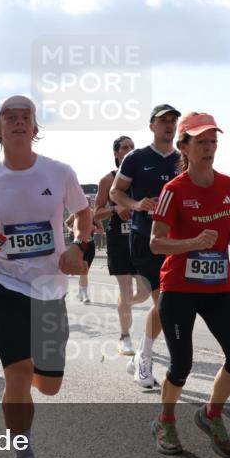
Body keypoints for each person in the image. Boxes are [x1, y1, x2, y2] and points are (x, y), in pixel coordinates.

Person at [0, 94, 90, 458]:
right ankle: (23, 453)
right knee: (16, 371)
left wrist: (79, 246)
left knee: (48, 384)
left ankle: (23, 383)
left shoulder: (59, 172)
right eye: (9, 118)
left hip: (50, 289)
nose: (17, 122)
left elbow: (82, 214)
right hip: (5, 283)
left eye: (25, 117)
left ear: (34, 128)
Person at [148, 112, 230, 457]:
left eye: (213, 142)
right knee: (182, 365)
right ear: (184, 147)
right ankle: (165, 420)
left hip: (218, 287)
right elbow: (156, 243)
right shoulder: (172, 190)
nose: (208, 148)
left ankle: (211, 414)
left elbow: (229, 229)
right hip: (178, 288)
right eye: (201, 142)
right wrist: (192, 243)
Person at [110, 104, 182, 388]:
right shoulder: (136, 158)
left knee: (171, 304)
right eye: (163, 121)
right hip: (145, 238)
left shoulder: (182, 159)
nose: (169, 126)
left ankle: (140, 354)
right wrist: (136, 204)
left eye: (173, 121)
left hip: (175, 241)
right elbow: (116, 191)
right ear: (151, 125)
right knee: (165, 301)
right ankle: (144, 358)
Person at [93, 136, 149, 356]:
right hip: (119, 239)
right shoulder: (108, 180)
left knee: (144, 293)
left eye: (132, 147)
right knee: (125, 290)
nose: (129, 150)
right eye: (125, 148)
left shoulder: (144, 176)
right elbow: (96, 213)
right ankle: (125, 336)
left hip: (141, 238)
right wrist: (116, 209)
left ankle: (123, 304)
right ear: (116, 154)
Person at [65, 211, 96, 303]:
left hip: (89, 245)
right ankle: (84, 294)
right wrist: (69, 229)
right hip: (78, 243)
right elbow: (66, 223)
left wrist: (93, 228)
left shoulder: (92, 214)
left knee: (84, 271)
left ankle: (80, 293)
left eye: (88, 202)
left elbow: (101, 229)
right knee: (83, 270)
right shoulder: (75, 214)